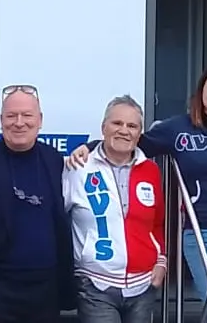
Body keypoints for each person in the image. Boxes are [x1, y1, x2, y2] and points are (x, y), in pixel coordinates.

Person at [67, 61, 207, 323]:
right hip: (202, 233)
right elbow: (132, 140)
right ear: (201, 92)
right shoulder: (178, 129)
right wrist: (92, 146)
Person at [0, 83, 75, 323]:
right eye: (11, 116)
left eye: (27, 115)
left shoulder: (54, 161)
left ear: (40, 120)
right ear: (1, 120)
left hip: (45, 294)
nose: (19, 122)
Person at [64, 96, 166, 323]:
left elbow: (157, 222)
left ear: (140, 134)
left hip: (143, 286)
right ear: (103, 128)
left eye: (132, 126)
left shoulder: (151, 170)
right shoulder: (78, 167)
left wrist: (161, 261)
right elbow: (55, 219)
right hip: (94, 284)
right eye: (117, 123)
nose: (124, 131)